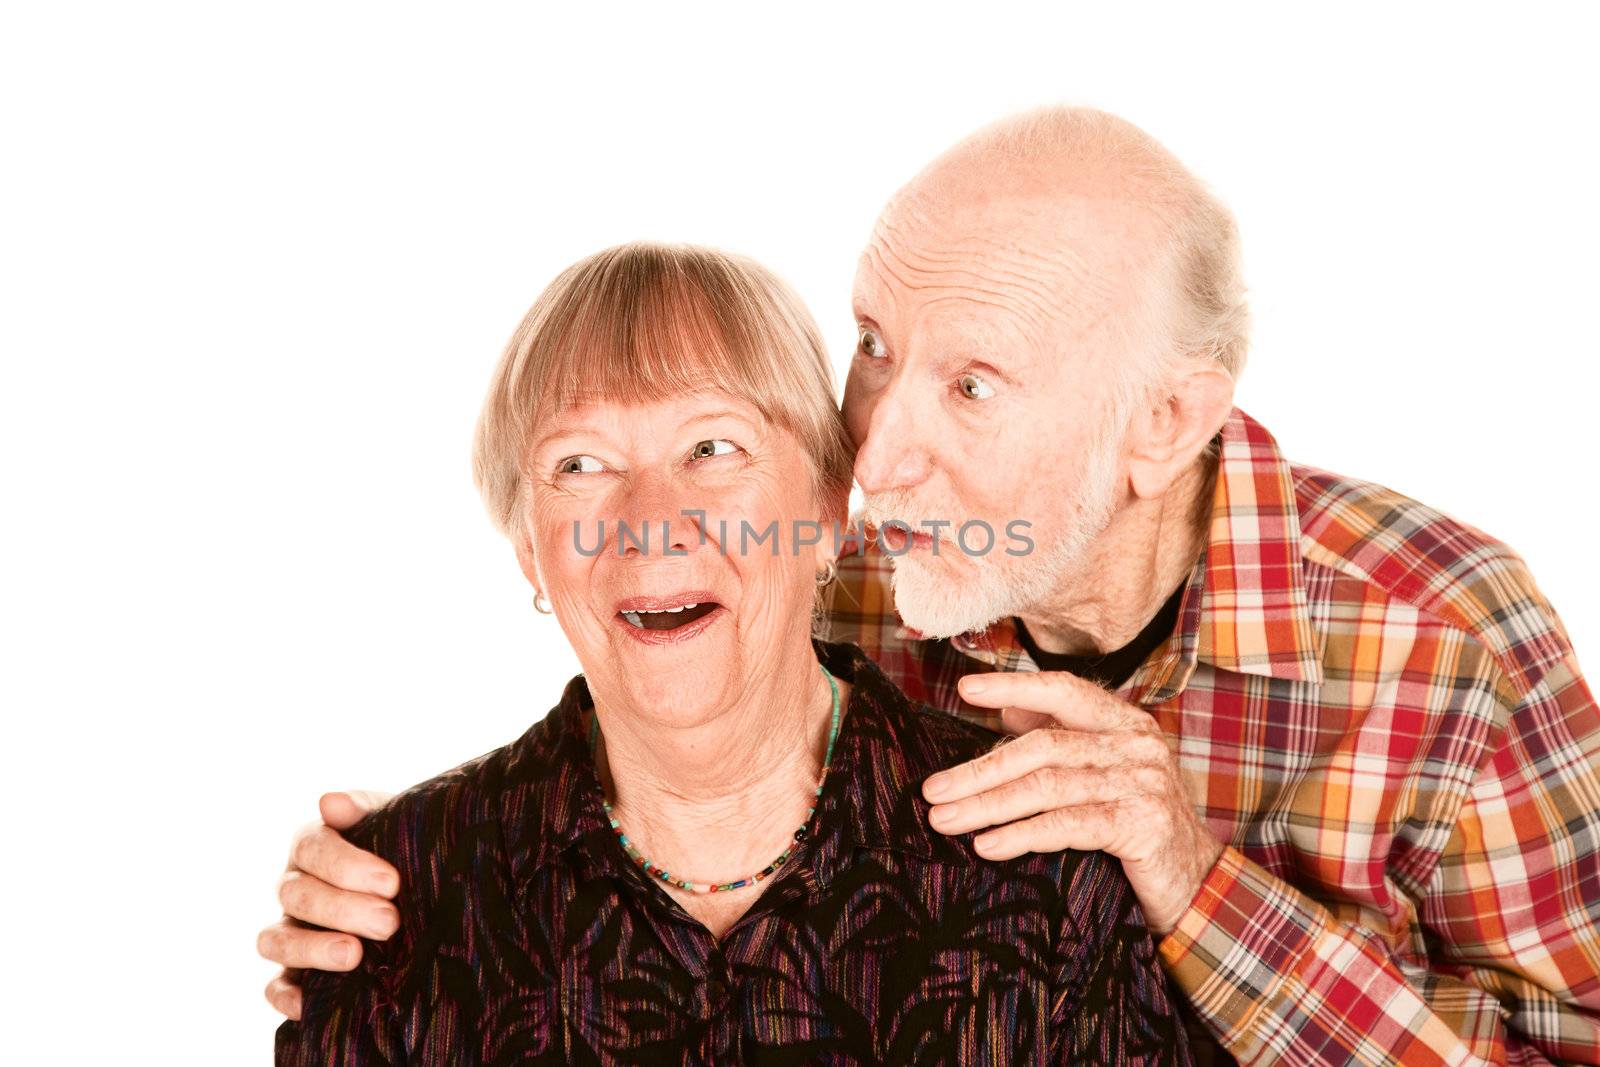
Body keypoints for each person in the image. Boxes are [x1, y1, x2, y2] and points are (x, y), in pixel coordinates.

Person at [262, 110, 1600, 1065]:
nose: (879, 449)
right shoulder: (861, 568)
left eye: (970, 384)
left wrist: (1194, 884)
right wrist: (410, 890)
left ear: (1164, 422)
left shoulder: (1446, 640)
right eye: (874, 347)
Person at [272, 241, 1192, 1064]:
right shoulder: (398, 898)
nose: (649, 525)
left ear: (830, 511)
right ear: (530, 550)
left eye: (713, 447)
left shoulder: (1041, 870)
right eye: (579, 466)